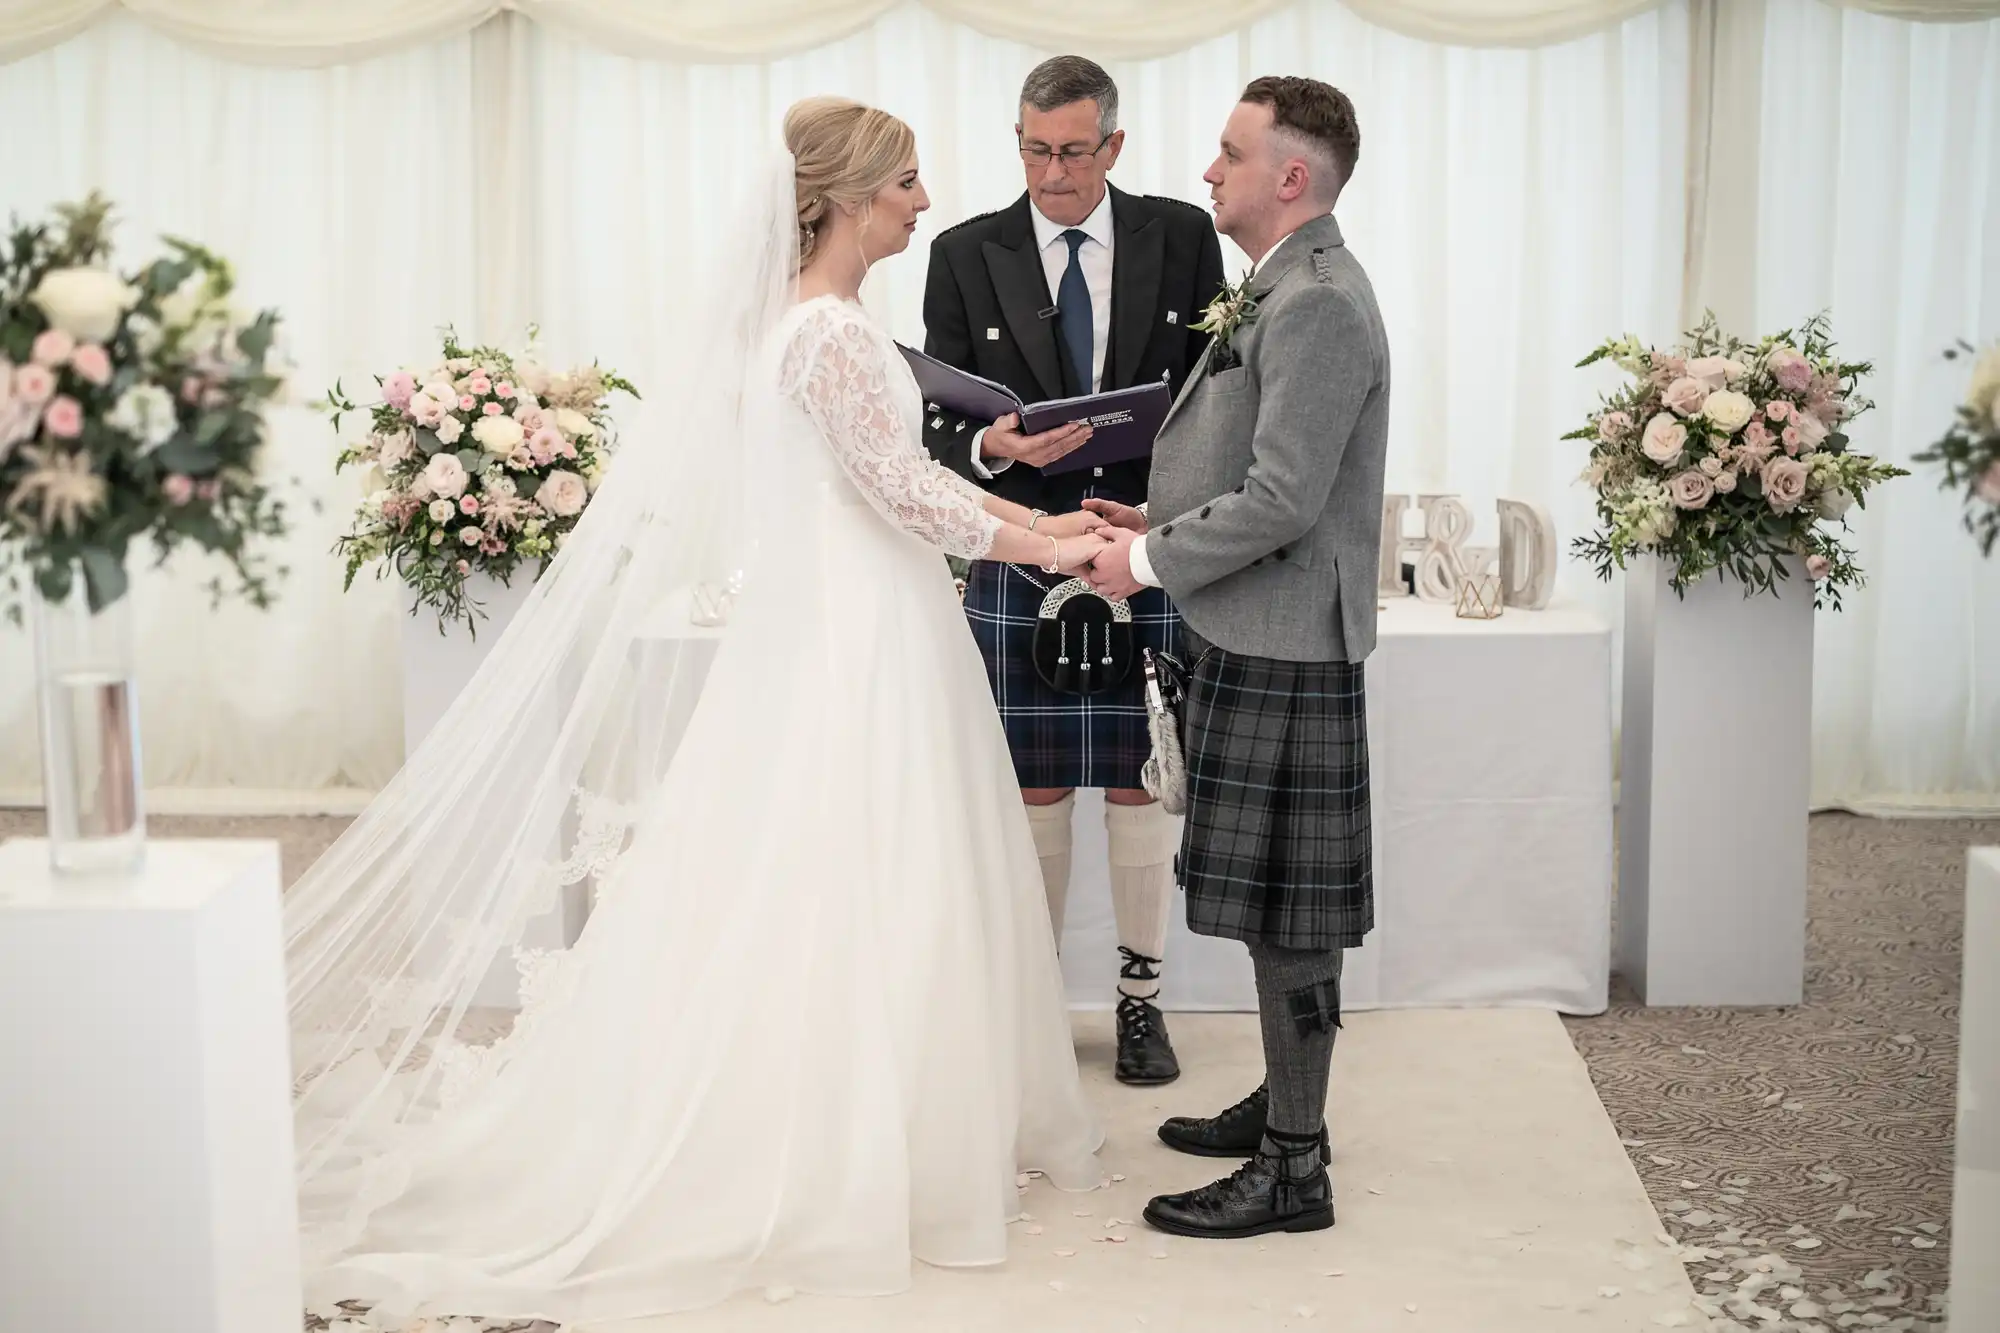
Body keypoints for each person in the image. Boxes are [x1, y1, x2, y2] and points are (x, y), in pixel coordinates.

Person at [284, 98, 1112, 1324]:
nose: (922, 203)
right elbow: (904, 501)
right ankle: (841, 1144)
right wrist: (1046, 550)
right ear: (842, 196)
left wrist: (1041, 520)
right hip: (855, 628)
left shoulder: (819, 324)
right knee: (857, 866)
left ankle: (892, 1124)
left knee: (866, 867)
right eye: (906, 182)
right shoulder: (827, 332)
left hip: (867, 613)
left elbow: (907, 479)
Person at [1084, 76, 1390, 1240]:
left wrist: (1149, 565)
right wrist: (1148, 525)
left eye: (1227, 152)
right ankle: (1284, 1103)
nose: (1206, 170)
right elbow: (1242, 461)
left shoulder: (1316, 302)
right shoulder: (1278, 287)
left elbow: (1280, 499)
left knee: (1289, 912)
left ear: (1290, 178)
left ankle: (1294, 1165)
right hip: (1248, 627)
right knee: (1274, 900)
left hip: (1282, 641)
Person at [921, 55, 1226, 1086]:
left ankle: (1141, 1003)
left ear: (1113, 147)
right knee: (1034, 779)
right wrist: (998, 451)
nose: (1051, 172)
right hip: (1023, 544)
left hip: (1144, 543)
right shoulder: (966, 252)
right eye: (1034, 149)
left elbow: (1217, 396)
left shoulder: (1179, 237)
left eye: (1072, 151)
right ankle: (1039, 1010)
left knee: (1143, 778)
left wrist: (1153, 526)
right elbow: (937, 423)